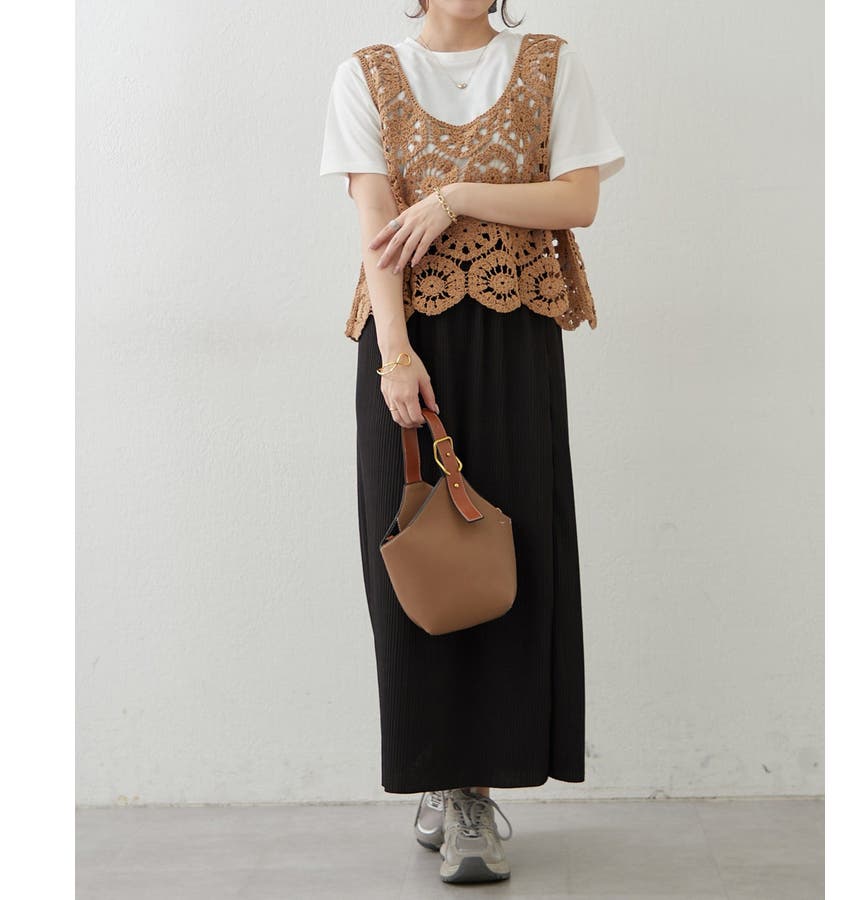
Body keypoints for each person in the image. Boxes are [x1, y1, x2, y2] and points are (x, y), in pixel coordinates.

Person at [319, 0, 625, 885]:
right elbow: (377, 224)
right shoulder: (366, 74)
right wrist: (395, 354)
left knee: (506, 558)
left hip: (515, 333)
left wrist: (451, 199)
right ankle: (442, 779)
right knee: (421, 561)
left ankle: (476, 794)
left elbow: (578, 200)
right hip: (409, 343)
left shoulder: (551, 63)